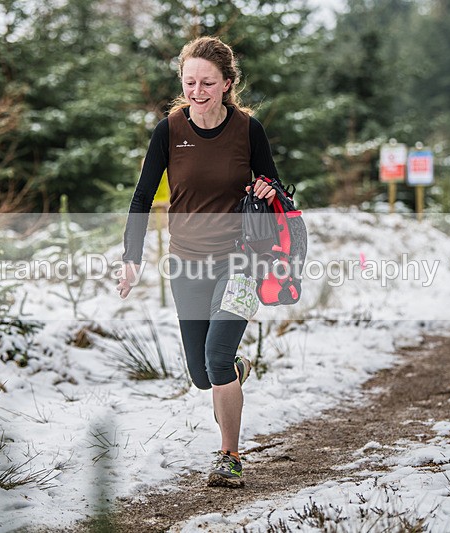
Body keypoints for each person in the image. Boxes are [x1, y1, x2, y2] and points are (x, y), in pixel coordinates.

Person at [117, 36, 281, 488]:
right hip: (187, 262)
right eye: (190, 82)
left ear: (227, 83)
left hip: (240, 259)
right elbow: (142, 196)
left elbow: (274, 185)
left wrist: (268, 188)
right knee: (201, 374)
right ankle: (233, 371)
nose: (197, 90)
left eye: (208, 82)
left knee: (216, 354)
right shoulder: (169, 130)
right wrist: (131, 257)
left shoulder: (248, 130)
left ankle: (229, 455)